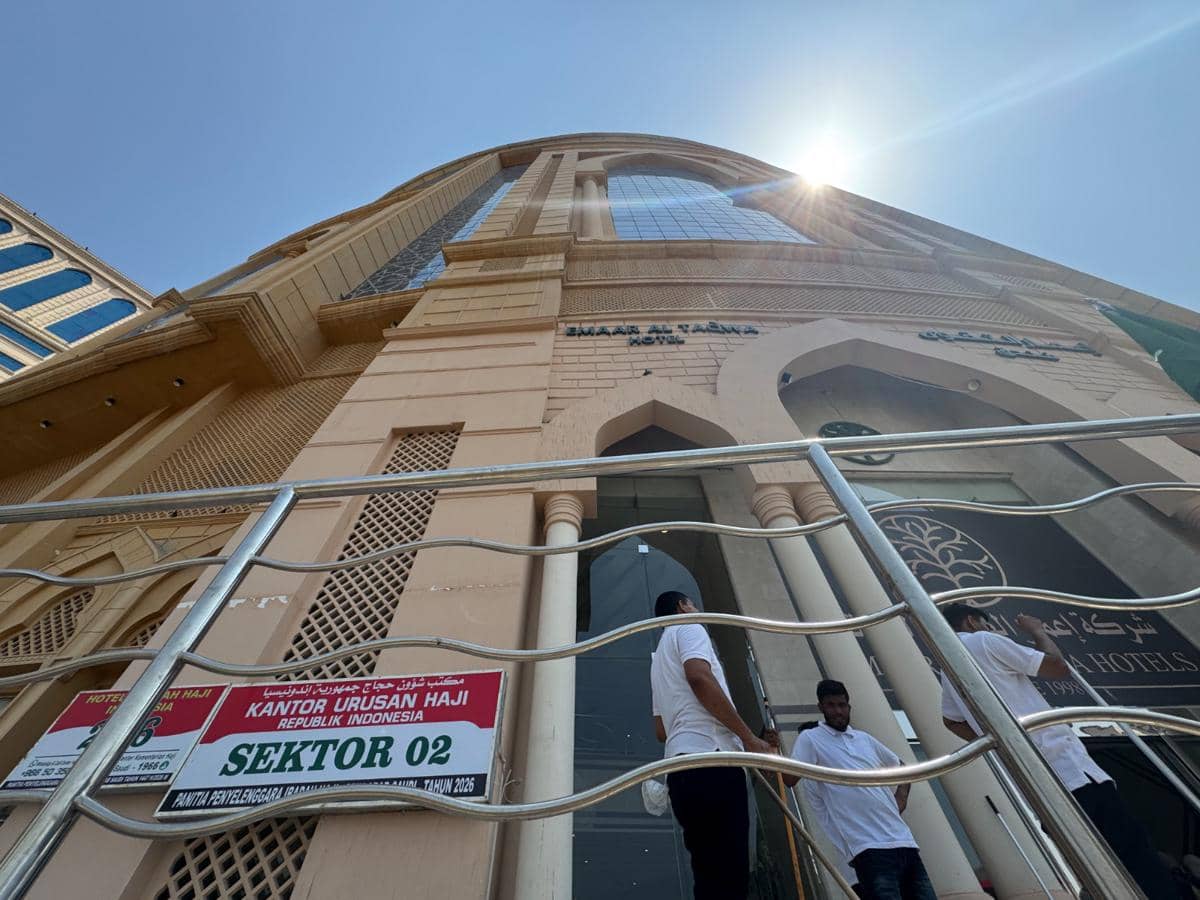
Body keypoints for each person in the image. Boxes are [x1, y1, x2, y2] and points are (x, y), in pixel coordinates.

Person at [941, 603, 1178, 899]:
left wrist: (1003, 739)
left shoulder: (947, 662)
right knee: (1135, 853)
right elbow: (1057, 666)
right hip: (1070, 770)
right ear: (972, 621)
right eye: (986, 623)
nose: (989, 629)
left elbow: (950, 719)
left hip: (1037, 779)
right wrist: (1037, 631)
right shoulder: (983, 641)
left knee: (1089, 864)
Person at [650, 590, 774, 900]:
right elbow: (699, 678)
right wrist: (748, 738)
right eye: (692, 603)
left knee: (708, 878)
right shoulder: (691, 627)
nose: (695, 608)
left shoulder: (657, 659)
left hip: (680, 771)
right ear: (682, 606)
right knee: (731, 878)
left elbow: (661, 729)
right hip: (714, 761)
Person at [784, 680, 935, 900]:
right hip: (866, 847)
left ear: (849, 706)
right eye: (831, 705)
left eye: (842, 705)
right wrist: (770, 751)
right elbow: (789, 778)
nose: (838, 711)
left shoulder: (864, 738)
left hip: (904, 841)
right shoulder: (811, 738)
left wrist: (899, 801)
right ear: (821, 708)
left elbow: (903, 768)